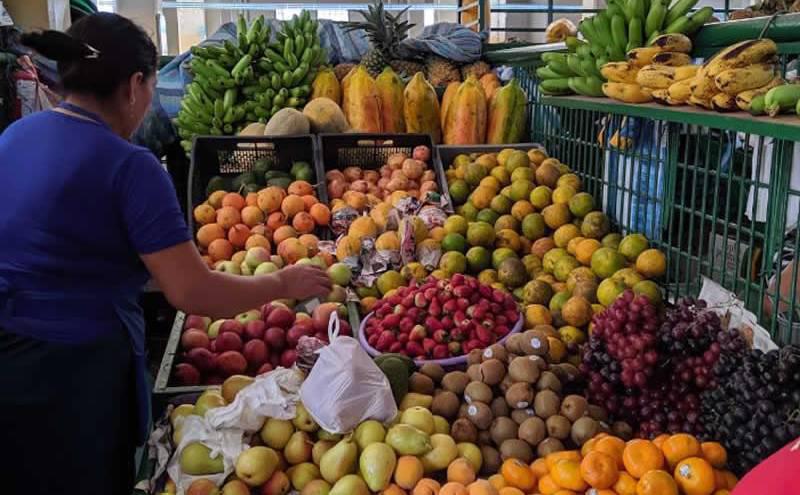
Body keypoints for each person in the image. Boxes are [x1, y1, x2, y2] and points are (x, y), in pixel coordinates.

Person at [0, 13, 331, 495]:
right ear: (135, 85)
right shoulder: (130, 166)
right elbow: (191, 291)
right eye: (152, 85)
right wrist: (284, 283)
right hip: (73, 373)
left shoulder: (14, 137)